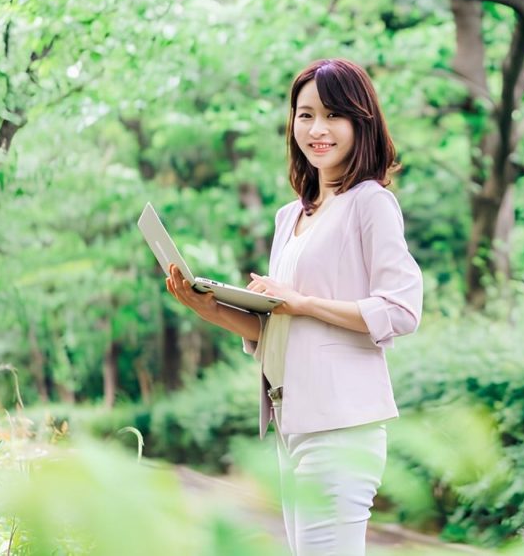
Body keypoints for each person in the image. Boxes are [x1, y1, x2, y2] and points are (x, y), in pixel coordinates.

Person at [164, 58, 423, 556]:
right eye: (306, 115)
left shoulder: (370, 202)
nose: (317, 129)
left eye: (333, 115)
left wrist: (303, 302)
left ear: (361, 122)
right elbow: (279, 326)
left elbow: (401, 310)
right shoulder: (290, 217)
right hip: (292, 421)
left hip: (342, 425)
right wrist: (207, 308)